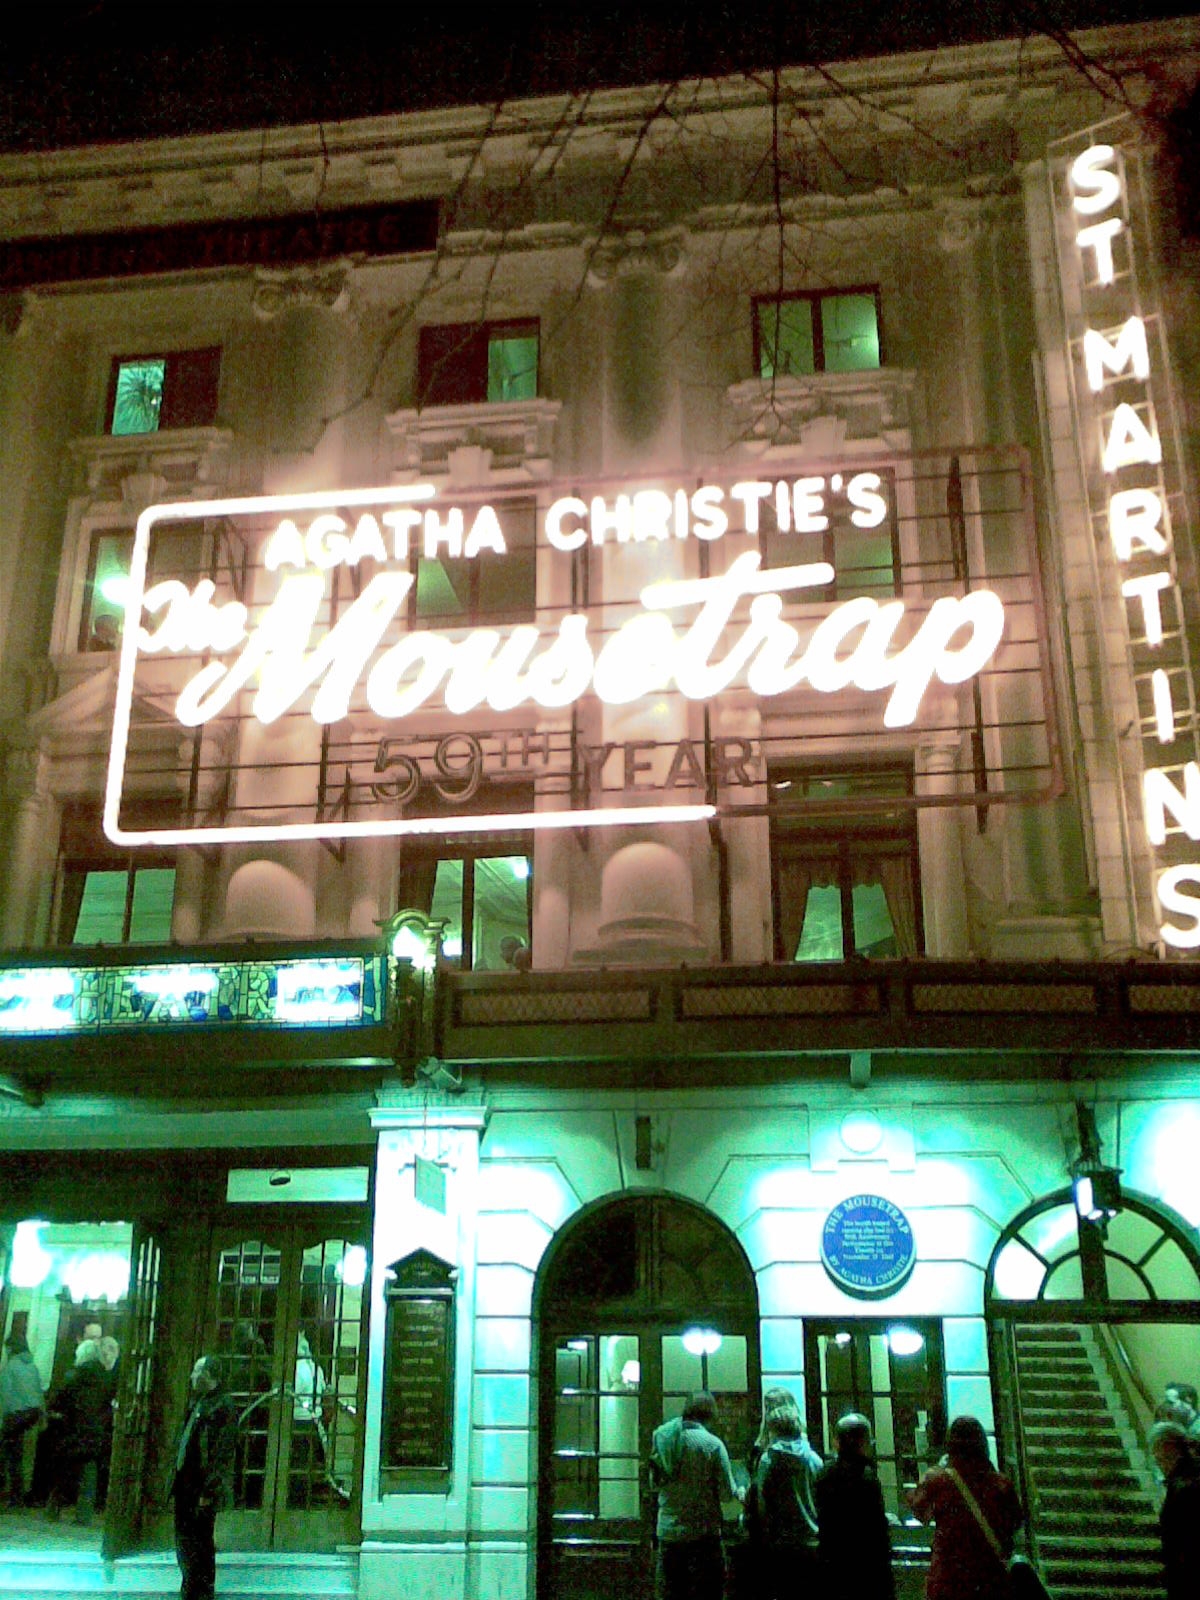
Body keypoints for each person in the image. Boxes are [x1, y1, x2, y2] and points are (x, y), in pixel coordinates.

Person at [910, 1415, 1022, 1600]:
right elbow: (1015, 1523)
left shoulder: (938, 1481)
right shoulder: (1001, 1485)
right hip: (990, 1581)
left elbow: (919, 1511)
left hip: (948, 1581)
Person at [649, 1389, 741, 1600]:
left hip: (669, 1532)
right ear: (710, 1414)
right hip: (703, 1534)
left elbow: (654, 1483)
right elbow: (726, 1494)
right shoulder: (712, 1445)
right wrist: (740, 1489)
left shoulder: (664, 1439)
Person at [171, 1354, 238, 1600]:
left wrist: (209, 1490)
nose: (192, 1376)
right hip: (185, 1483)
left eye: (197, 1371)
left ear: (208, 1375)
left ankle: (201, 1591)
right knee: (185, 1540)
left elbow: (221, 1454)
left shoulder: (223, 1407)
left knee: (200, 1542)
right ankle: (189, 1587)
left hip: (201, 1486)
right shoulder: (199, 1402)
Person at [747, 1387, 822, 1598]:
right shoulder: (813, 1458)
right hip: (811, 1539)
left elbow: (762, 1505)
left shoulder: (768, 1460)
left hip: (780, 1542)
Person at [814, 1413, 895, 1600]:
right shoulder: (867, 1477)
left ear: (837, 1442)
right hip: (867, 1568)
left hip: (832, 1563)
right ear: (863, 1443)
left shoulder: (824, 1474)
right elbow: (877, 1531)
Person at [45, 1337, 112, 1525]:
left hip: (73, 1429)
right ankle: (84, 1515)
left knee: (63, 1471)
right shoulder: (105, 1377)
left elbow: (60, 1398)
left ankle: (53, 1510)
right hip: (95, 1430)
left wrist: (54, 1411)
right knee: (88, 1473)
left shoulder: (75, 1375)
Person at [1151, 1420, 1200, 1600]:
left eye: (1157, 1452)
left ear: (1168, 1448)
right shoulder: (1187, 1477)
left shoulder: (1184, 1486)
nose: (1156, 1459)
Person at [0, 1330, 44, 1508]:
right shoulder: (32, 1366)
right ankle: (18, 1493)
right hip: (32, 1415)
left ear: (11, 1348)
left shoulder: (11, 1366)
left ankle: (10, 1493)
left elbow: (5, 1396)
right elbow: (39, 1391)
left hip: (15, 1415)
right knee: (18, 1454)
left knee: (8, 1453)